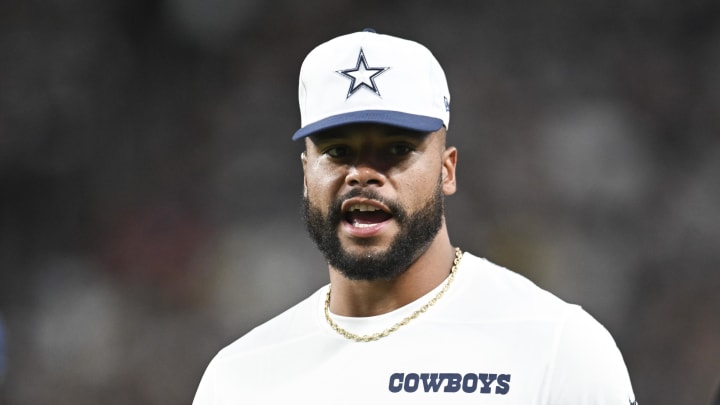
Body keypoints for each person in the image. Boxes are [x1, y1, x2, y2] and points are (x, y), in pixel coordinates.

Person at [193, 29, 637, 404]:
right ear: (306, 174)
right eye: (337, 151)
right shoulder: (237, 379)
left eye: (396, 150)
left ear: (447, 169)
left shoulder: (557, 344)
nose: (362, 174)